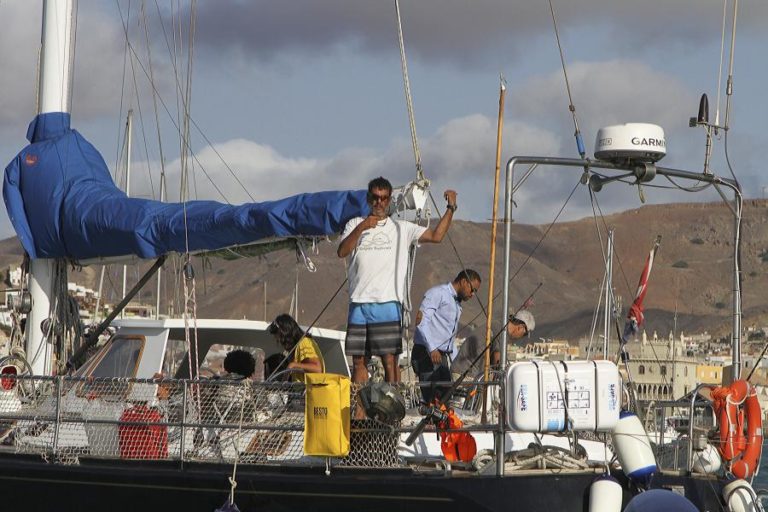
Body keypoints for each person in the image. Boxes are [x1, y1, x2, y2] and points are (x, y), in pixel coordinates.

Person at [338, 176, 457, 384]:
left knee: (390, 360)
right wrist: (362, 227)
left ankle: (391, 412)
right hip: (359, 303)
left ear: (390, 200)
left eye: (384, 198)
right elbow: (342, 251)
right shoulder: (354, 224)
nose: (379, 203)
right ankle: (359, 413)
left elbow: (437, 236)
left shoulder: (402, 228)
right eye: (375, 198)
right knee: (358, 361)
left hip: (387, 303)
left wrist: (451, 208)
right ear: (368, 199)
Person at [411, 269, 481, 404]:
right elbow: (421, 322)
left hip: (441, 357)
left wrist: (457, 361)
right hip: (426, 354)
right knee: (433, 400)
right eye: (472, 290)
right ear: (464, 281)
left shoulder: (456, 303)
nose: (472, 294)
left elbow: (448, 337)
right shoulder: (438, 293)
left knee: (445, 398)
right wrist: (432, 349)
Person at [450, 309, 536, 381]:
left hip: (466, 371)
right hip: (465, 373)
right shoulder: (501, 331)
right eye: (525, 334)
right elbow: (497, 361)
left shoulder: (499, 326)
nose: (522, 337)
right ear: (520, 327)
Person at [267, 313, 325, 381]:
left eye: (280, 338)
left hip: (310, 391)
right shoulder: (296, 348)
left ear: (285, 333)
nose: (279, 341)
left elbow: (317, 369)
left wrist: (293, 365)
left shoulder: (304, 342)